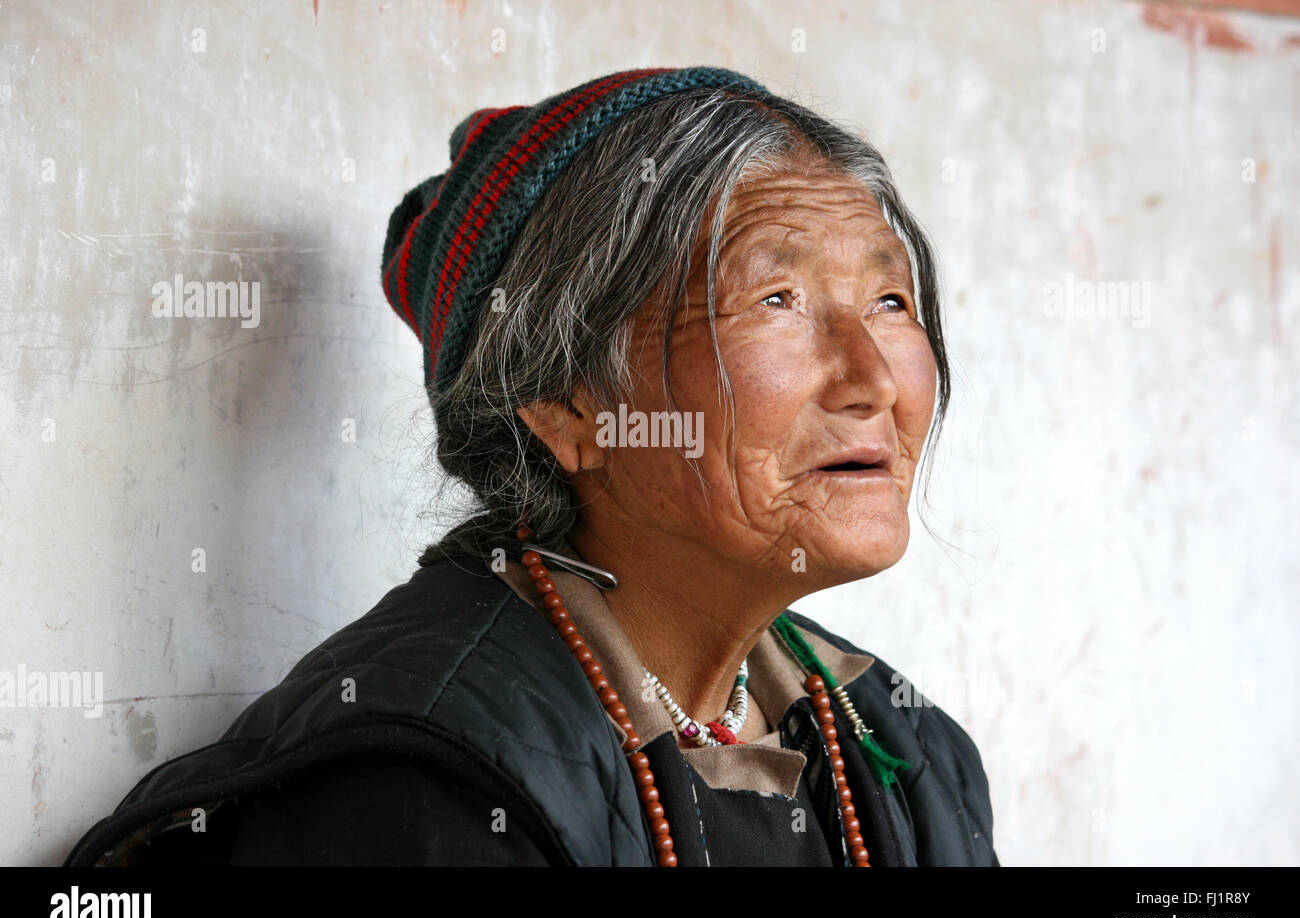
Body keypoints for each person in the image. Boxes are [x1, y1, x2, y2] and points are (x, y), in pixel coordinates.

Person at [65, 66, 998, 867]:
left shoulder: (905, 750)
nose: (874, 378)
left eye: (889, 298)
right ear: (567, 406)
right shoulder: (425, 782)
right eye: (777, 298)